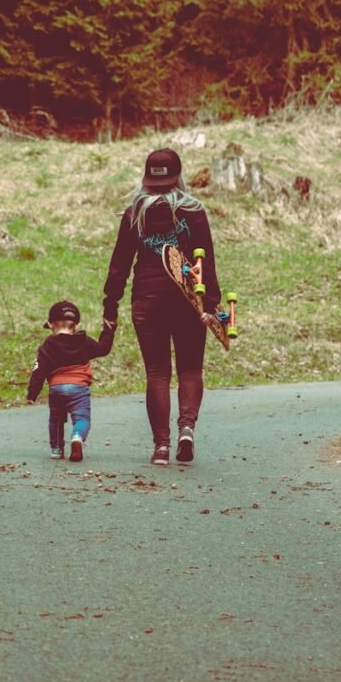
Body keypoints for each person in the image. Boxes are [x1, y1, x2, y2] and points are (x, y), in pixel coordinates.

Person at [102, 148, 220, 466]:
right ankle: (186, 430)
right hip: (188, 299)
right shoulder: (194, 211)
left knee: (157, 373)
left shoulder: (134, 213)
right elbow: (204, 260)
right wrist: (213, 304)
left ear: (145, 177)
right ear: (179, 177)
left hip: (147, 299)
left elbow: (119, 264)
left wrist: (110, 304)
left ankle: (161, 448)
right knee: (190, 369)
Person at [27, 300, 116, 462]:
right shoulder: (84, 341)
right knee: (82, 418)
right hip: (79, 388)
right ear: (75, 325)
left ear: (50, 325)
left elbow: (38, 370)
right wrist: (108, 329)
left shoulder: (48, 344)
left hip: (57, 388)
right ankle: (76, 437)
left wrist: (32, 393)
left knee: (56, 419)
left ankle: (56, 449)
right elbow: (104, 348)